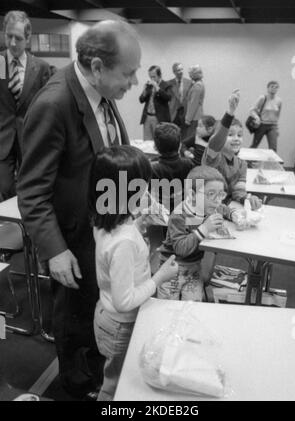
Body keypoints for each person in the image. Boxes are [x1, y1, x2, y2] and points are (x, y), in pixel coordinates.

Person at [17, 20, 141, 398]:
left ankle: (93, 377)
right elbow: (32, 190)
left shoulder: (103, 96)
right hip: (72, 239)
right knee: (72, 322)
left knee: (95, 315)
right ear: (98, 67)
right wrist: (54, 251)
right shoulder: (54, 103)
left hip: (102, 231)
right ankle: (74, 385)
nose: (133, 83)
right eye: (129, 73)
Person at [90, 145, 178, 401]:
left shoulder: (104, 219)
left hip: (110, 315)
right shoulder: (125, 241)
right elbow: (124, 300)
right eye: (144, 187)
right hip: (121, 323)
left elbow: (114, 253)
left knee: (116, 377)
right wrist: (159, 277)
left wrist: (138, 223)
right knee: (118, 385)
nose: (149, 192)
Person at [158, 165, 240, 302]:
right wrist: (204, 229)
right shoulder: (179, 216)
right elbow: (181, 248)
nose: (217, 200)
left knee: (194, 305)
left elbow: (223, 208)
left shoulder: (210, 206)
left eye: (221, 194)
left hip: (194, 267)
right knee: (167, 307)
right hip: (172, 269)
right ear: (193, 195)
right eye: (211, 194)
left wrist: (234, 214)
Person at [0, 10, 50, 201]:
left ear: (28, 39)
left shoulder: (41, 67)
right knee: (4, 188)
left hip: (30, 137)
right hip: (3, 138)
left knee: (31, 186)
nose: (12, 43)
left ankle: (27, 225)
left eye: (18, 38)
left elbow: (46, 106)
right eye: (9, 36)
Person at [201, 90, 262, 210]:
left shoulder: (241, 165)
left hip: (225, 210)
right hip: (205, 211)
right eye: (230, 134)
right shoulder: (213, 158)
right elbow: (216, 141)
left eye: (239, 135)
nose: (236, 139)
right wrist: (230, 112)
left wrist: (247, 199)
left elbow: (238, 192)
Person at [151, 122, 194, 212]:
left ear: (155, 147)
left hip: (161, 215)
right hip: (183, 212)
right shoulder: (188, 164)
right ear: (179, 145)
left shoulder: (153, 168)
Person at [139, 65, 171, 140]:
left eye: (154, 76)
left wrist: (157, 88)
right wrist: (144, 91)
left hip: (159, 118)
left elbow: (168, 98)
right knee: (147, 141)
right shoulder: (149, 86)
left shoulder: (166, 85)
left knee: (158, 141)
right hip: (147, 117)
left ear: (160, 75)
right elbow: (141, 100)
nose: (152, 79)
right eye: (150, 77)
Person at [249, 81, 282, 151]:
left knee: (273, 148)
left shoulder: (279, 101)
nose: (274, 88)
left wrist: (277, 129)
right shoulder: (263, 98)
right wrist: (257, 117)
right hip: (262, 124)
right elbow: (252, 110)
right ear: (268, 88)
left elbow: (277, 115)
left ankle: (272, 162)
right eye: (272, 87)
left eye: (276, 87)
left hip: (273, 126)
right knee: (254, 145)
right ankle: (247, 161)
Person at [182, 64, 205, 139]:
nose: (189, 76)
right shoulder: (198, 84)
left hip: (194, 117)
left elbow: (193, 104)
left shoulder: (197, 86)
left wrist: (188, 119)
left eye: (190, 74)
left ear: (195, 74)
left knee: (190, 137)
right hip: (196, 115)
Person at [167, 62, 192, 130]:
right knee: (174, 133)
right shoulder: (168, 84)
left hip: (186, 113)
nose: (181, 72)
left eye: (182, 69)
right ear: (174, 72)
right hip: (174, 113)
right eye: (178, 70)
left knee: (185, 134)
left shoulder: (190, 82)